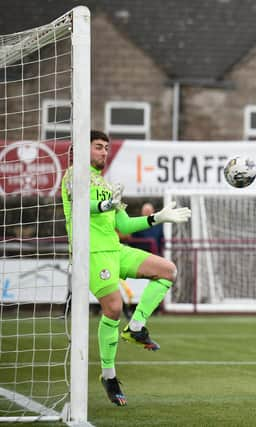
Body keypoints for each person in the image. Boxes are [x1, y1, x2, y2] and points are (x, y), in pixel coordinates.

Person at [61, 130, 191, 406]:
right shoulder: (74, 174)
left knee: (168, 270)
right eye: (98, 147)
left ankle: (136, 327)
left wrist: (158, 217)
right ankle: (108, 375)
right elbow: (81, 204)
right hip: (92, 253)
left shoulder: (107, 185)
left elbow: (124, 226)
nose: (104, 152)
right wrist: (107, 203)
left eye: (106, 148)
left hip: (115, 250)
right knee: (113, 307)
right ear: (84, 150)